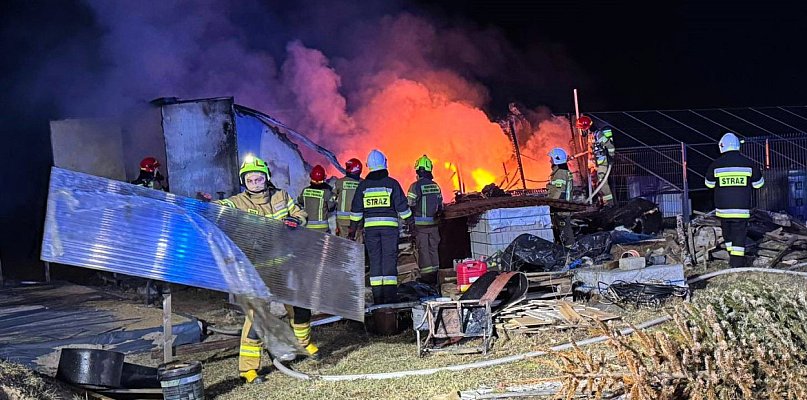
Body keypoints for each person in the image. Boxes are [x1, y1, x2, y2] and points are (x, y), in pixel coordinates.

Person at [201, 156, 318, 383]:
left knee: (301, 306)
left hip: (285, 262)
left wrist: (296, 220)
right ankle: (248, 369)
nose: (255, 182)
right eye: (251, 179)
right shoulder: (239, 202)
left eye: (259, 178)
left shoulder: (280, 196)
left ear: (266, 177)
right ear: (244, 182)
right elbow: (218, 209)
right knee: (257, 318)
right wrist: (205, 204)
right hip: (257, 269)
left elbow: (301, 213)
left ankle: (304, 346)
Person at [349, 150, 413, 305]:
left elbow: (356, 210)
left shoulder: (363, 186)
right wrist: (411, 221)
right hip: (389, 230)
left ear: (368, 166)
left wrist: (352, 230)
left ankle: (378, 299)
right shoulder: (392, 184)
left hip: (371, 231)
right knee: (389, 261)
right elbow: (402, 207)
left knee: (375, 261)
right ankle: (390, 298)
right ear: (384, 163)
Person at [705, 133, 764, 268]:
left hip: (723, 210)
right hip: (741, 209)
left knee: (728, 234)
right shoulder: (748, 164)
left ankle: (733, 260)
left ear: (722, 146)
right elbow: (759, 184)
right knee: (739, 236)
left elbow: (709, 184)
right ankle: (737, 264)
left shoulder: (716, 165)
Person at [406, 155, 443, 286]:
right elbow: (440, 206)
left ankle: (427, 279)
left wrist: (408, 223)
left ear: (418, 171)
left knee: (423, 251)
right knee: (434, 249)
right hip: (434, 225)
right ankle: (436, 276)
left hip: (420, 226)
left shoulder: (415, 186)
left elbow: (409, 204)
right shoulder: (435, 186)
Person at [299, 165, 335, 233]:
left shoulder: (305, 191)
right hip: (322, 228)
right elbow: (331, 208)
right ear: (323, 178)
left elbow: (300, 202)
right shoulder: (326, 192)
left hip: (307, 227)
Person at [334, 158, 363, 241]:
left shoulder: (339, 182)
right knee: (358, 244)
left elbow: (332, 199)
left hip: (342, 221)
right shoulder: (363, 183)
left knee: (343, 244)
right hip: (358, 221)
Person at [592, 126, 616, 206]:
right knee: (600, 183)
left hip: (603, 163)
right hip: (600, 163)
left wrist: (611, 156)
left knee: (603, 183)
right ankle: (604, 203)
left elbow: (610, 146)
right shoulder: (594, 135)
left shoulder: (599, 134)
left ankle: (609, 204)